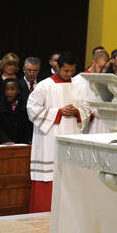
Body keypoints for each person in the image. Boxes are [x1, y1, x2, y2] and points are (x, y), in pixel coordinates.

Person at [26, 51, 89, 213]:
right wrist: (59, 112)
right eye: (65, 70)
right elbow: (32, 109)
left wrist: (77, 111)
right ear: (57, 67)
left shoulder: (79, 86)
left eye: (72, 71)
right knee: (49, 176)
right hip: (49, 138)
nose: (69, 74)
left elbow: (88, 108)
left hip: (72, 134)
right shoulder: (44, 86)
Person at [0, 78, 32, 144]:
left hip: (22, 143)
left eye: (12, 89)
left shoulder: (26, 105)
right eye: (6, 89)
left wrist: (29, 139)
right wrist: (5, 140)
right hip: (1, 144)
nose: (9, 92)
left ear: (18, 90)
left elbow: (29, 126)